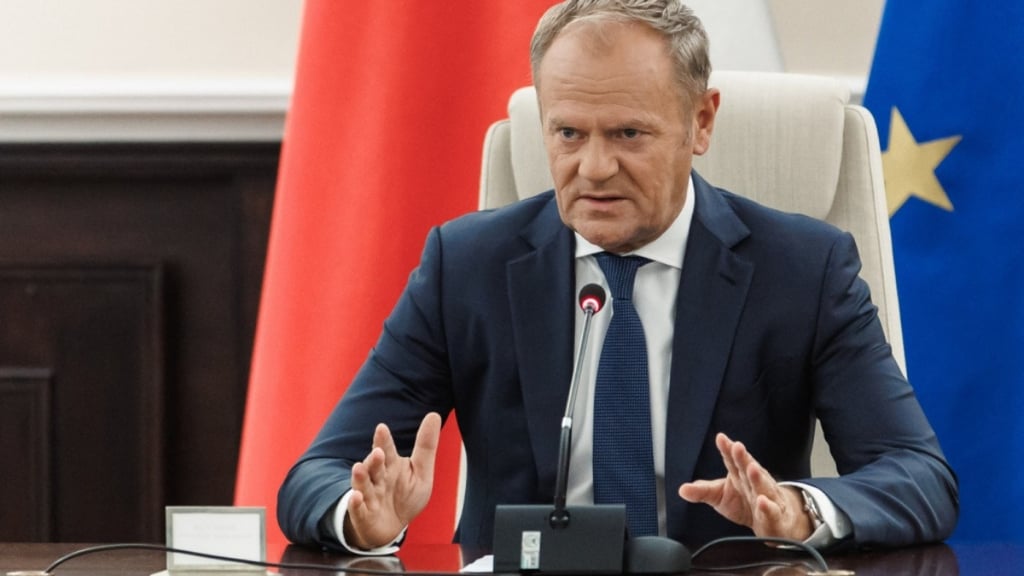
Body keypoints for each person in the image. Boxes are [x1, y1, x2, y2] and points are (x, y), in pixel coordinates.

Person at [278, 0, 959, 554]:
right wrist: (362, 519)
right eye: (569, 134)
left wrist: (798, 509)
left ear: (700, 122)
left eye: (627, 135)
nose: (594, 167)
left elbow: (920, 478)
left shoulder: (801, 269)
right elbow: (315, 475)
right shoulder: (468, 266)